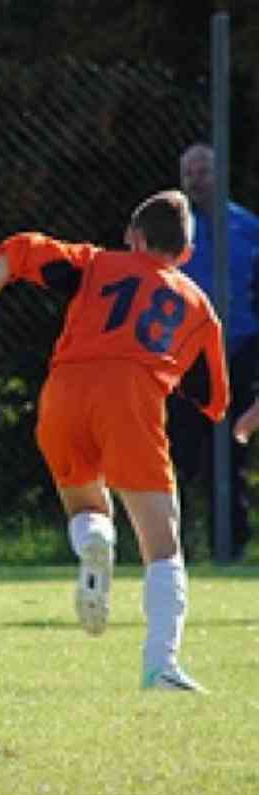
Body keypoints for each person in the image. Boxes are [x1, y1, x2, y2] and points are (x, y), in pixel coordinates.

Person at [0, 190, 228, 693]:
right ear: (187, 255)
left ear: (133, 237)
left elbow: (20, 250)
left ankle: (94, 541)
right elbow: (213, 397)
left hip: (64, 390)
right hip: (130, 400)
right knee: (162, 543)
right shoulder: (197, 307)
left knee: (84, 497)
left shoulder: (96, 264)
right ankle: (161, 665)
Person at [165, 144, 259, 562]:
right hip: (186, 355)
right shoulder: (172, 228)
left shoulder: (247, 227)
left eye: (203, 171)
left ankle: (232, 548)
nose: (195, 179)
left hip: (238, 349)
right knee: (179, 449)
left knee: (233, 451)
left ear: (220, 174)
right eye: (189, 172)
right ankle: (172, 544)